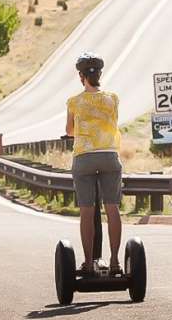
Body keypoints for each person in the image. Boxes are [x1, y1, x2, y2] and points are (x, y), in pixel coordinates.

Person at [65, 52, 125, 275]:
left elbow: (69, 130)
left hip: (84, 158)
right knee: (112, 208)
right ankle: (116, 261)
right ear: (99, 74)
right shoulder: (113, 98)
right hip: (109, 156)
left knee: (87, 211)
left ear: (81, 76)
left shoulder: (74, 102)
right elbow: (113, 121)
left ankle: (89, 262)